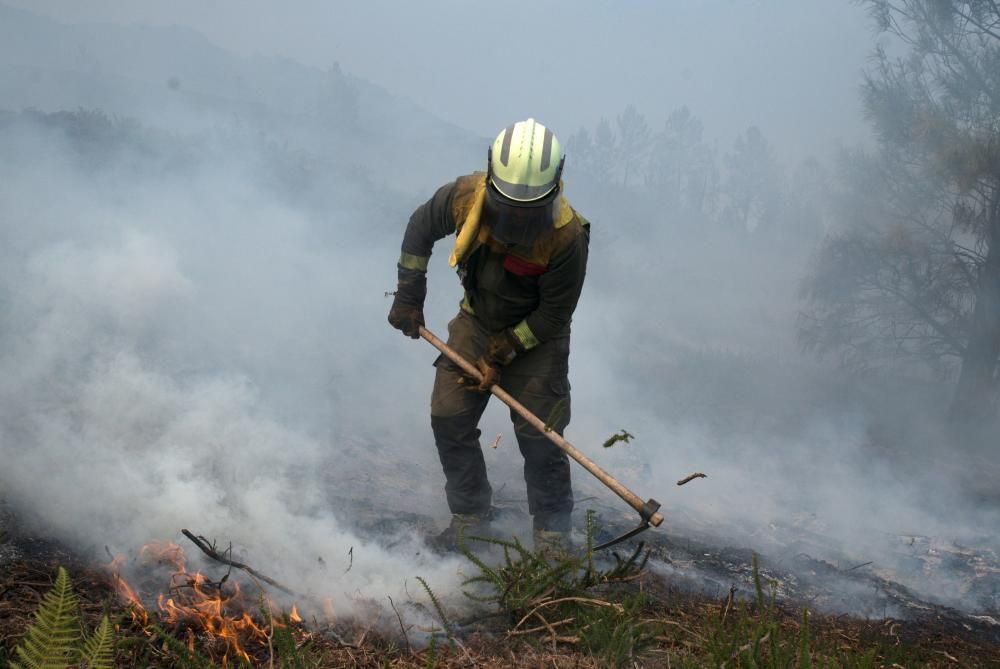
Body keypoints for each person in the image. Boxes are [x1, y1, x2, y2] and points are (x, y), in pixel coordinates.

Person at [388, 118, 590, 552]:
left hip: (537, 338)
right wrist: (409, 295)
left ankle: (554, 538)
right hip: (477, 322)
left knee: (542, 436)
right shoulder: (464, 196)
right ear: (491, 181)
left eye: (528, 208)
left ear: (554, 189)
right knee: (449, 415)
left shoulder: (566, 237)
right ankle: (472, 518)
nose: (516, 217)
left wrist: (502, 354)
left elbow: (554, 314)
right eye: (507, 204)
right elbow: (420, 230)